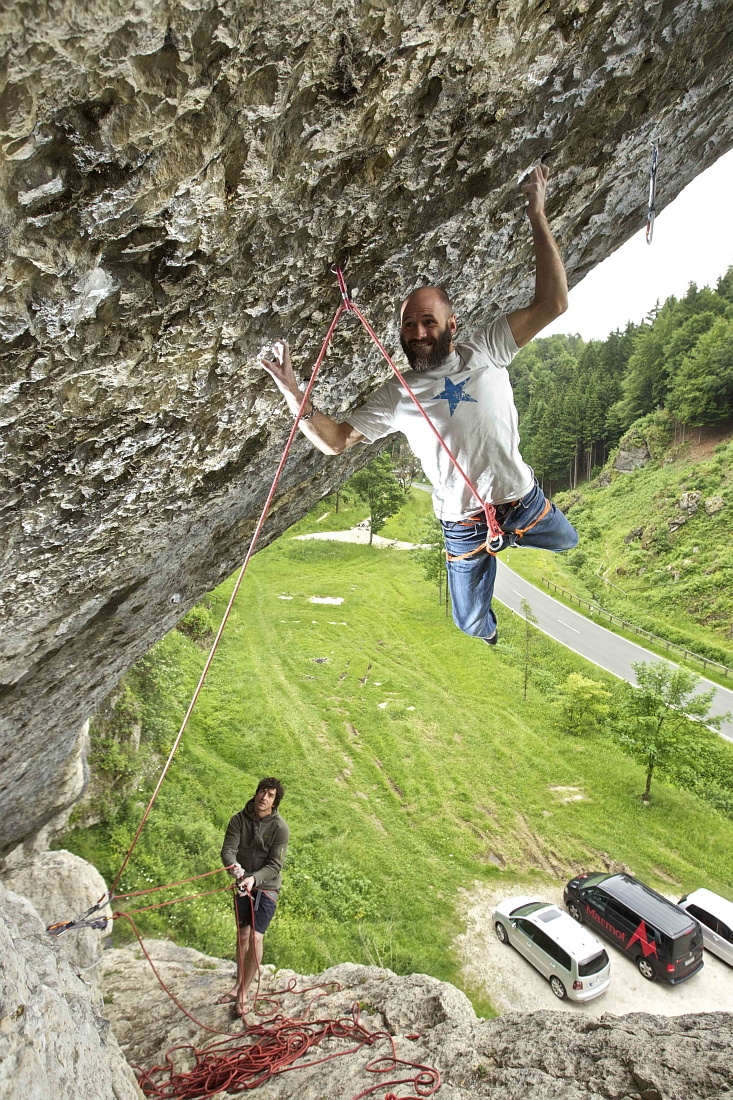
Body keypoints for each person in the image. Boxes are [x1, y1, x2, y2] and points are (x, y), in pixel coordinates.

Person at [261, 164, 578, 645]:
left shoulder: (487, 346)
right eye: (409, 326)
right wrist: (292, 389)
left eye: (428, 321)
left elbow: (553, 303)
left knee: (567, 539)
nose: (418, 333)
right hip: (464, 525)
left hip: (521, 501)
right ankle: (491, 620)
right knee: (469, 622)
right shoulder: (397, 394)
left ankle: (511, 535)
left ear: (453, 322)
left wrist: (537, 213)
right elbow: (335, 442)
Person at [219, 777, 289, 1016]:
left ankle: (244, 993)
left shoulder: (280, 828)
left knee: (256, 938)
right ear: (256, 792)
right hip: (242, 881)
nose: (264, 798)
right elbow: (228, 849)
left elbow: (274, 865)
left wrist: (254, 879)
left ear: (274, 801)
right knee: (243, 935)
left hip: (266, 886)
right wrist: (234, 866)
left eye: (270, 795)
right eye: (262, 792)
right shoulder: (239, 820)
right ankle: (238, 983)